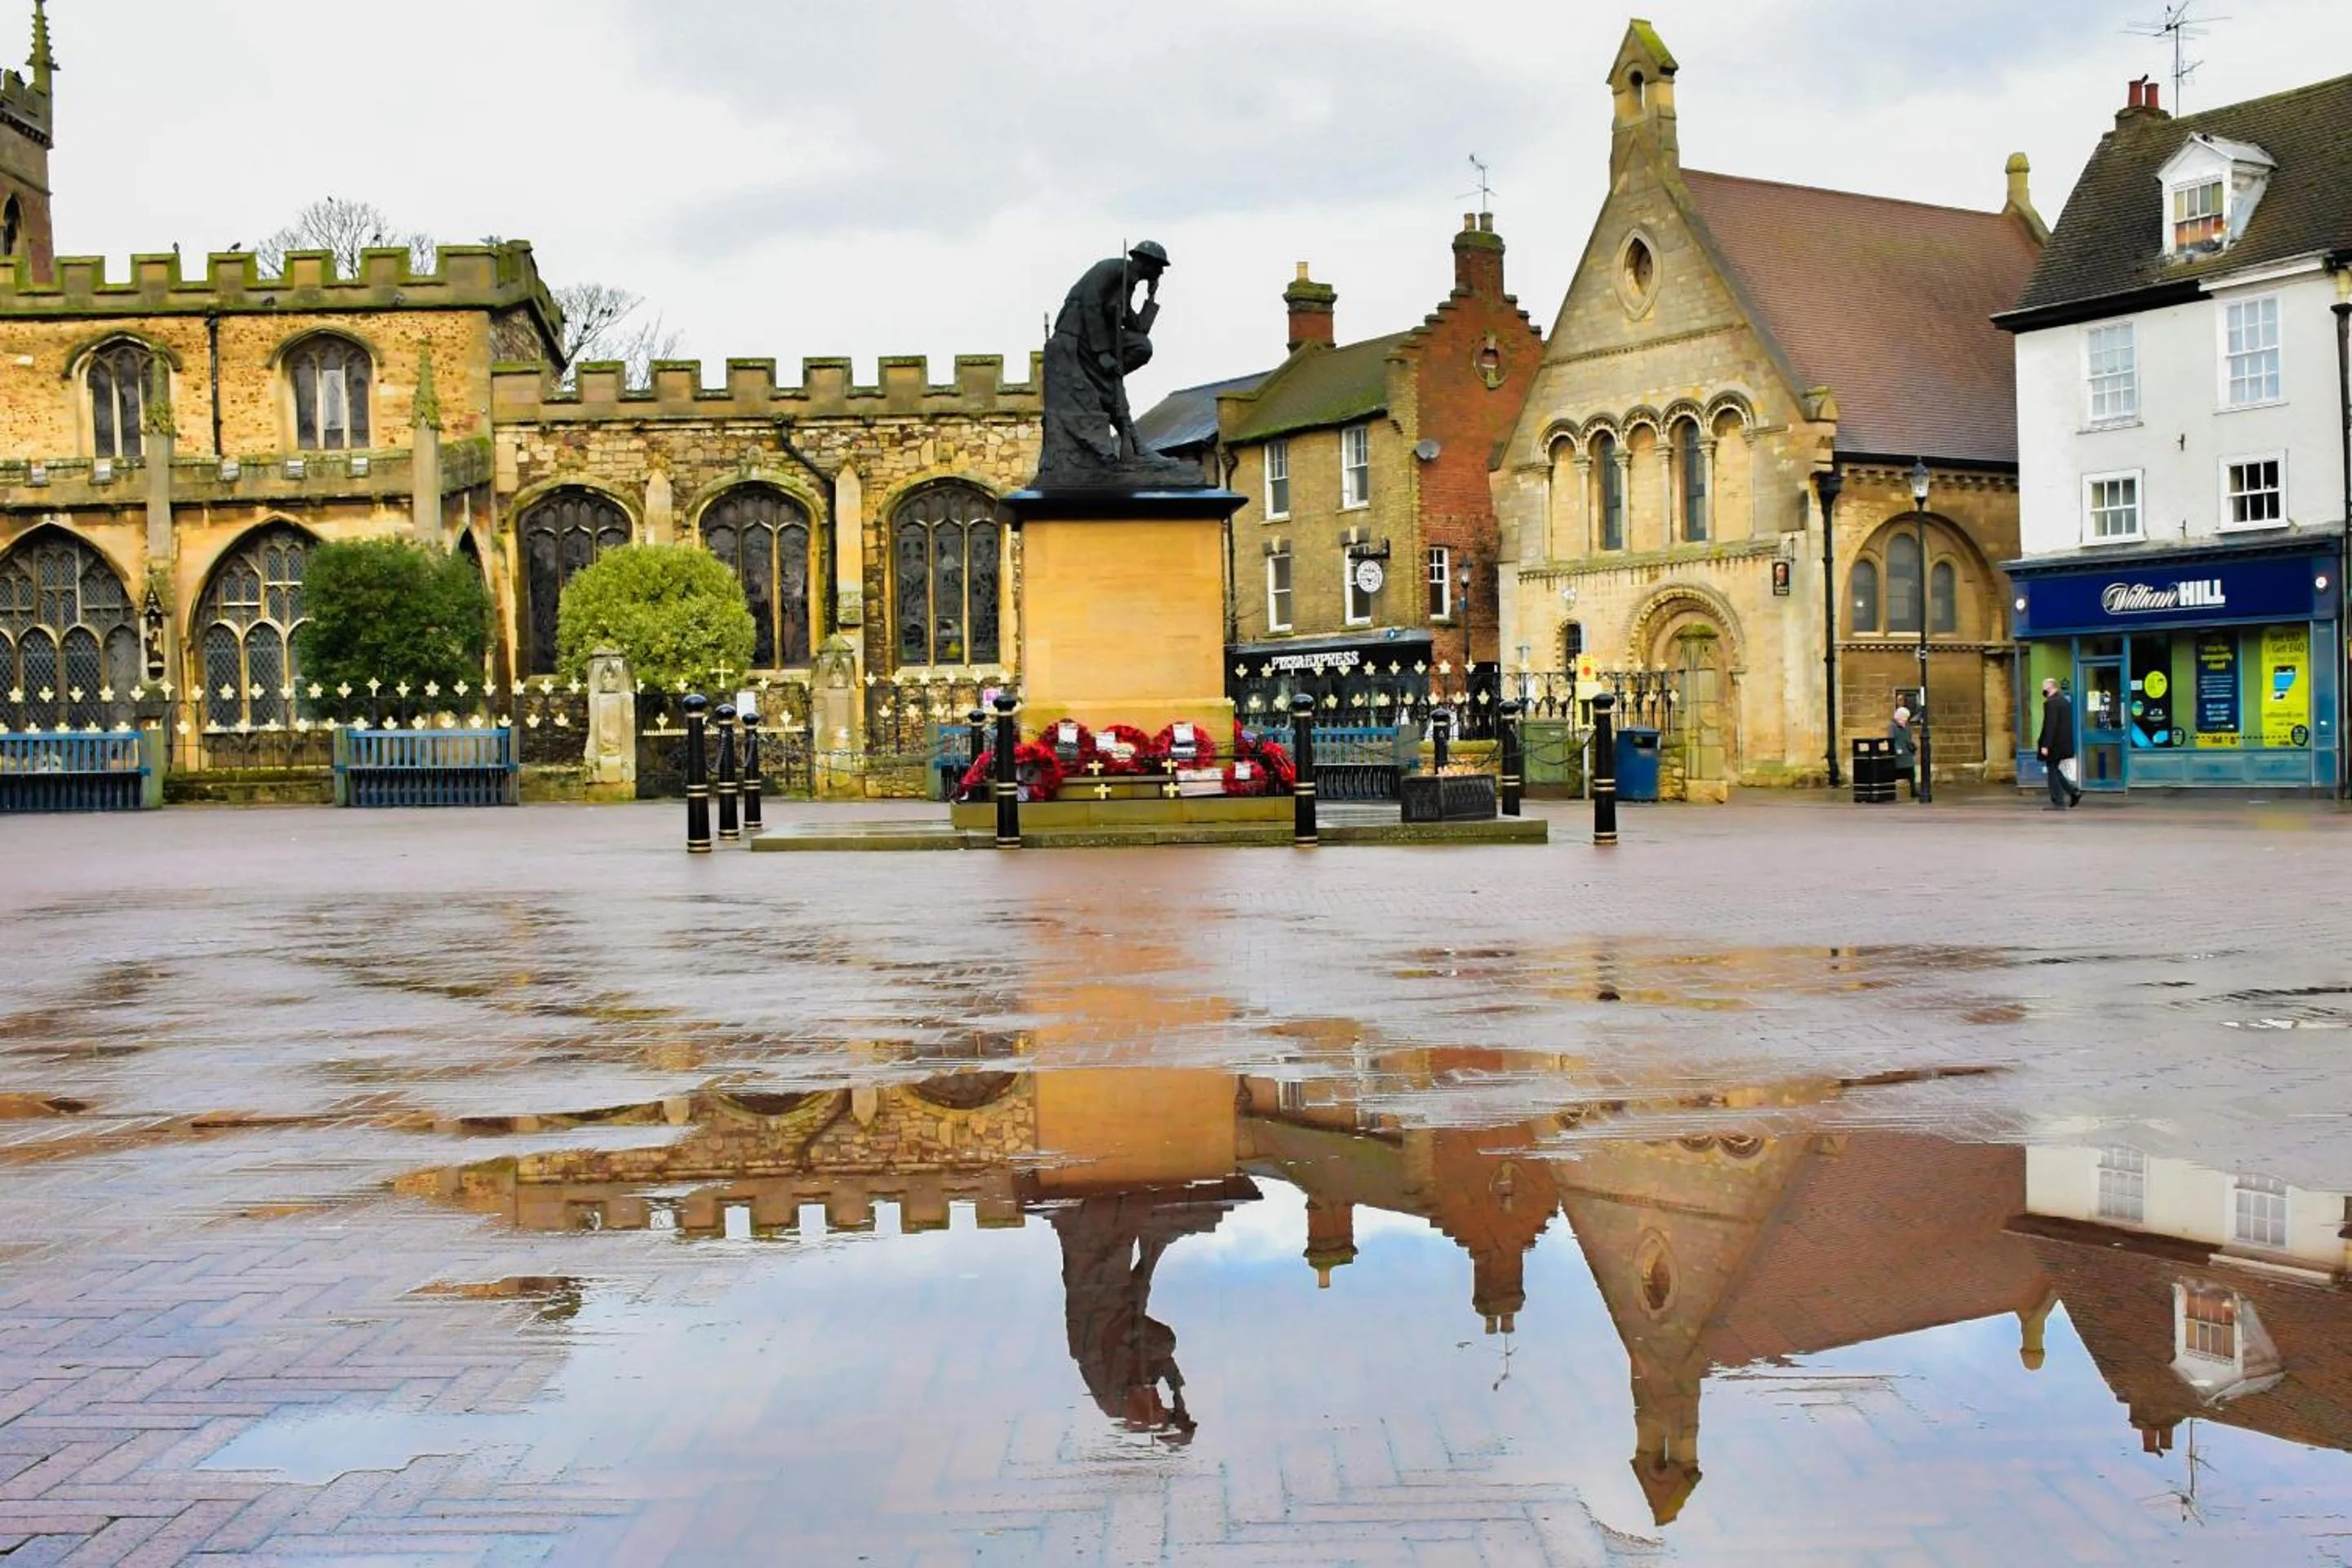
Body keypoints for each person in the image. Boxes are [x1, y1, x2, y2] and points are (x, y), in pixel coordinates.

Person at [2036, 677, 2081, 810]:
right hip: (2063, 743)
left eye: (2044, 686)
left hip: (2054, 744)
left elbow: (2050, 725)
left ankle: (2058, 802)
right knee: (2054, 769)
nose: (2043, 689)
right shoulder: (2063, 701)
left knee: (2052, 771)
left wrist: (2046, 745)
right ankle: (2073, 792)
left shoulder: (2051, 703)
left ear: (2050, 687)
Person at [1887, 705, 1918, 799]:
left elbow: (1909, 738)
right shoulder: (1892, 726)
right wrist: (1897, 749)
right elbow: (1892, 739)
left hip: (1907, 752)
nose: (1905, 720)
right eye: (1904, 718)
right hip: (1898, 754)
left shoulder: (1907, 726)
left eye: (1906, 718)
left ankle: (1913, 790)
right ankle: (1890, 792)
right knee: (1894, 773)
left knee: (1911, 773)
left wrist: (1912, 746)